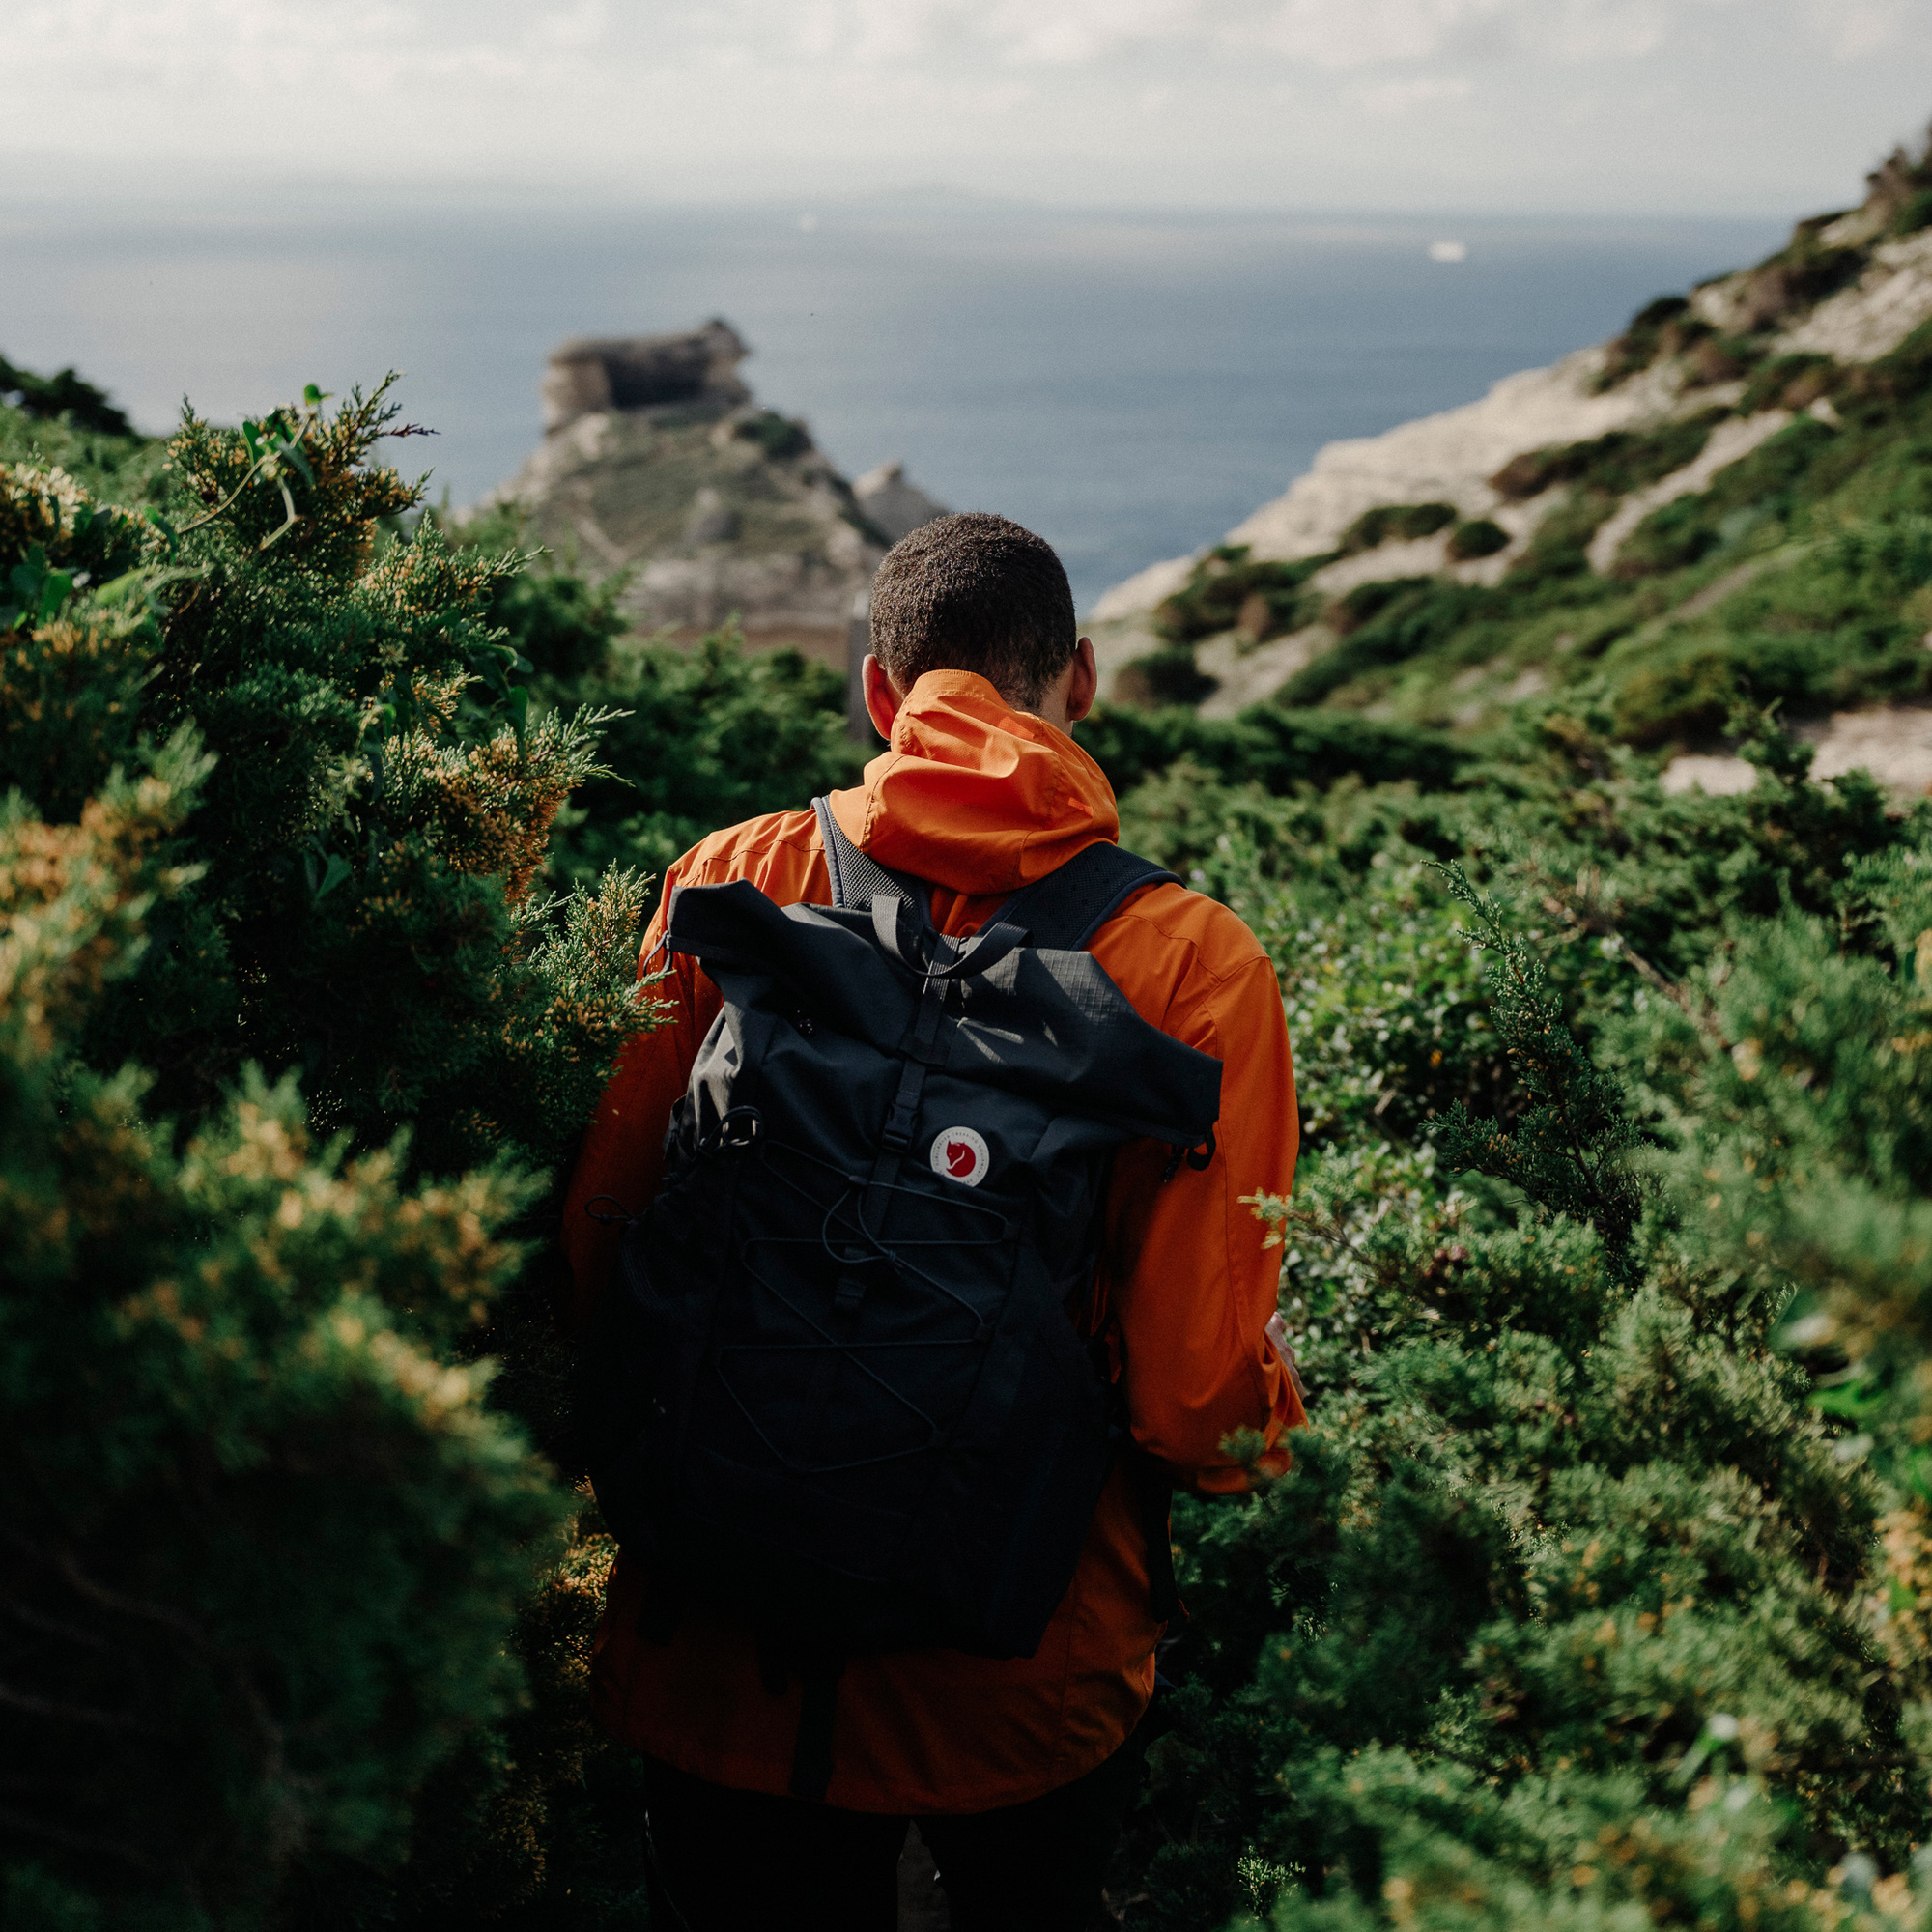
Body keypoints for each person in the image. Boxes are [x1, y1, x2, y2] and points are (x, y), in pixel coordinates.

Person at [560, 512, 1305, 1931]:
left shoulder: (734, 879)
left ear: (879, 693)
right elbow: (1191, 1399)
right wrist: (1277, 1426)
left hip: (715, 1635)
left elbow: (607, 1234)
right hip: (1023, 1669)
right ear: (1082, 678)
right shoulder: (1194, 964)